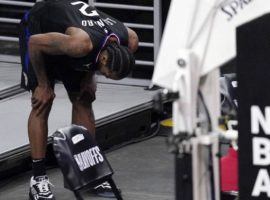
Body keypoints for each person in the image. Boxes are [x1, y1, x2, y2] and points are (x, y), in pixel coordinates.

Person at [19, 0, 138, 199]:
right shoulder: (80, 44)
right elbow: (35, 43)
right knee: (43, 101)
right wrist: (43, 84)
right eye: (107, 74)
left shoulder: (130, 40)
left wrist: (91, 75)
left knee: (84, 98)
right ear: (104, 60)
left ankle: (89, 174)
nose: (106, 77)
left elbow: (99, 53)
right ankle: (38, 180)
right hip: (40, 34)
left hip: (71, 41)